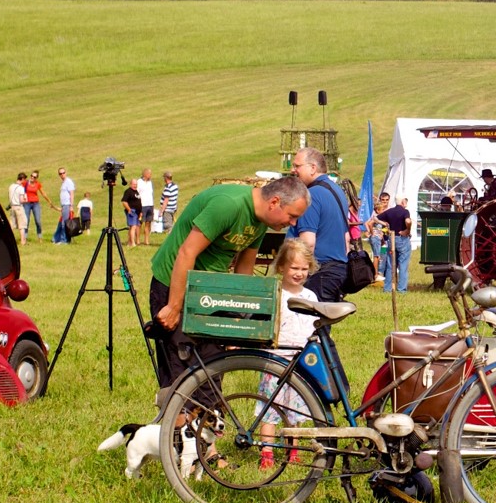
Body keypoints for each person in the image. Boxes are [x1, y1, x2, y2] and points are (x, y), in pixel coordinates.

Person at [149, 176, 311, 390]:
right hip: (175, 282)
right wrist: (173, 306)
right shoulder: (228, 205)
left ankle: (205, 418)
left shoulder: (261, 221)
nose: (293, 223)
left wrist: (237, 319)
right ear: (274, 202)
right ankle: (177, 422)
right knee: (179, 366)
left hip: (211, 288)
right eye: (292, 216)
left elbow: (244, 268)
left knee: (212, 365)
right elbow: (187, 252)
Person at [258, 240, 321, 469]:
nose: (299, 273)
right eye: (294, 268)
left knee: (295, 409)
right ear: (282, 267)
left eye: (304, 269)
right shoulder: (275, 294)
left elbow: (314, 328)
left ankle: (292, 450)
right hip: (275, 358)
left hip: (300, 360)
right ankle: (267, 453)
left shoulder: (311, 296)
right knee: (269, 408)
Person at [289, 147, 350, 303]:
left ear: (313, 168)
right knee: (321, 322)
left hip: (318, 273)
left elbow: (307, 242)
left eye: (297, 166)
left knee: (308, 324)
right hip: (337, 271)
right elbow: (346, 238)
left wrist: (299, 274)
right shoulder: (337, 191)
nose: (292, 170)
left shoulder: (311, 195)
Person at [378, 195, 413, 293]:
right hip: (402, 239)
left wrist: (385, 224)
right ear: (402, 201)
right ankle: (401, 289)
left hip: (391, 238)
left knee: (390, 264)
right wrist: (407, 230)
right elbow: (408, 221)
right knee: (403, 265)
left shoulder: (389, 211)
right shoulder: (405, 212)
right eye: (406, 200)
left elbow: (375, 218)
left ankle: (387, 288)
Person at [53, 167, 76, 244]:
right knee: (62, 222)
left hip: (67, 205)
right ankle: (58, 238)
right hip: (64, 205)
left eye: (63, 173)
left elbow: (72, 194)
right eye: (60, 173)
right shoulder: (64, 183)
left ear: (66, 173)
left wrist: (71, 206)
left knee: (64, 223)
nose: (62, 175)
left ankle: (64, 240)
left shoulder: (68, 182)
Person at [134, 169, 156, 246]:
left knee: (148, 222)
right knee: (139, 223)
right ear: (145, 174)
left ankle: (146, 240)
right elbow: (136, 194)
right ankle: (137, 240)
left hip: (150, 204)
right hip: (142, 205)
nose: (150, 175)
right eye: (149, 174)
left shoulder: (150, 182)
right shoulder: (139, 182)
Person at [8, 172, 28, 245]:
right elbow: (21, 200)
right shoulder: (21, 188)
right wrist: (26, 199)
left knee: (12, 224)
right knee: (22, 225)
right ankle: (23, 241)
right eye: (24, 179)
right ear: (22, 179)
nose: (25, 181)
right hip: (18, 207)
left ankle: (9, 240)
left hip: (12, 207)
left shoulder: (11, 186)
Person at [24, 171, 45, 238]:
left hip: (36, 204)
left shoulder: (37, 184)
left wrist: (49, 201)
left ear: (36, 178)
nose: (32, 177)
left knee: (38, 221)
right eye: (31, 176)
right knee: (26, 221)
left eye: (34, 177)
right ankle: (25, 238)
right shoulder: (25, 183)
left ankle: (40, 237)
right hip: (27, 203)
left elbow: (43, 193)